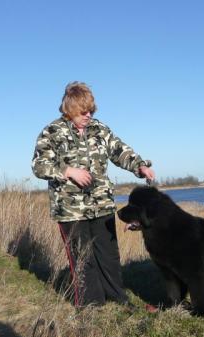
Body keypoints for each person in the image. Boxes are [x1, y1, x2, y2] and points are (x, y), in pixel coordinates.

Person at [32, 81, 155, 309]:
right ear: (70, 108)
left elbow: (120, 151)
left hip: (102, 204)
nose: (88, 115)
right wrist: (68, 171)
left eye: (91, 111)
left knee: (108, 255)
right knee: (82, 258)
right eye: (83, 111)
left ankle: (119, 299)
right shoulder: (52, 132)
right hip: (70, 210)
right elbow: (39, 165)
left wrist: (140, 166)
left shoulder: (99, 129)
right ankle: (91, 306)